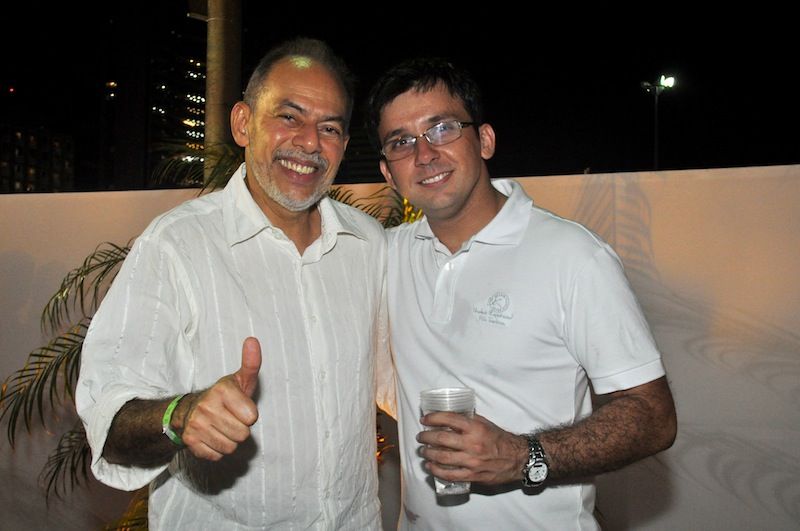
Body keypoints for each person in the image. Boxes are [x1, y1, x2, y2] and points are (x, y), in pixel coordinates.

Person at [76, 37, 393, 530]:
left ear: (345, 147)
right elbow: (109, 417)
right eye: (289, 116)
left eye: (329, 127)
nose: (310, 142)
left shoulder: (368, 243)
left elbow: (398, 378)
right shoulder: (176, 245)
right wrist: (180, 416)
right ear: (243, 123)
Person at [365, 57, 677, 529]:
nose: (424, 153)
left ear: (485, 140)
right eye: (401, 142)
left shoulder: (572, 256)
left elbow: (653, 417)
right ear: (389, 173)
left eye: (442, 128)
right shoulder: (387, 256)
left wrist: (522, 456)